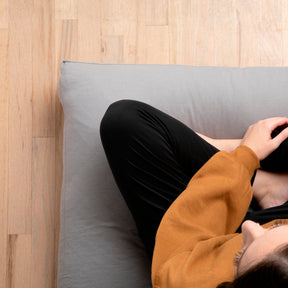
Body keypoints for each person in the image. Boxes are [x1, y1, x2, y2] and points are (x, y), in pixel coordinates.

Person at [100, 99, 288, 288]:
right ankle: (266, 188)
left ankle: (247, 175)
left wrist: (247, 153)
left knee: (123, 122)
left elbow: (191, 222)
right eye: (276, 226)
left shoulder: (187, 281)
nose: (250, 226)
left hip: (191, 244)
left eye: (238, 259)